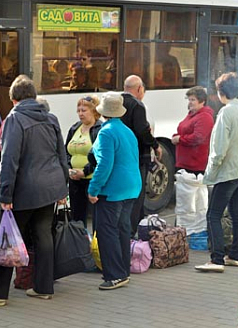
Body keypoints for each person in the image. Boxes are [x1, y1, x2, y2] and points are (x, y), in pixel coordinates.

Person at [0, 75, 67, 306]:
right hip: (50, 187)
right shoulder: (51, 118)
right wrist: (63, 187)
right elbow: (61, 154)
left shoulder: (15, 119)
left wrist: (5, 194)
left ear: (13, 98)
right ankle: (44, 287)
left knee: (7, 238)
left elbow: (9, 159)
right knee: (43, 235)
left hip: (25, 189)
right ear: (33, 96)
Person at [195, 73, 238, 273]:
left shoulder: (225, 113)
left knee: (213, 215)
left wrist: (210, 172)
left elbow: (219, 149)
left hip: (227, 171)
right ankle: (236, 255)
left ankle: (217, 258)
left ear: (221, 92)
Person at [88, 92, 141, 290]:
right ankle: (123, 271)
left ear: (102, 112)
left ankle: (114, 275)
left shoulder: (106, 132)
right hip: (132, 186)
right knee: (122, 229)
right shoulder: (127, 130)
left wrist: (93, 189)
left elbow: (104, 165)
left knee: (106, 231)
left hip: (113, 189)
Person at [121, 75, 162, 238]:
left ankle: (135, 227)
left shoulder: (116, 103)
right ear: (139, 89)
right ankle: (132, 231)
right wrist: (155, 145)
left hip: (122, 156)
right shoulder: (137, 105)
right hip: (138, 155)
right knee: (137, 194)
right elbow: (142, 130)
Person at [65, 96, 102, 230]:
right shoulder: (74, 128)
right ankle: (80, 245)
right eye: (78, 110)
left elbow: (100, 156)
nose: (80, 113)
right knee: (77, 217)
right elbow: (66, 151)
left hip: (92, 179)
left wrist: (85, 171)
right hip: (74, 180)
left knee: (97, 218)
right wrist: (68, 168)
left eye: (84, 110)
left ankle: (96, 247)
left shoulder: (99, 129)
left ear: (94, 111)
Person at [171, 86, 214, 175]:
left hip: (194, 165)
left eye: (193, 100)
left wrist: (179, 139)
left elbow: (198, 138)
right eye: (189, 100)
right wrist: (176, 136)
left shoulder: (204, 117)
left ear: (202, 101)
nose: (190, 103)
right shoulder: (192, 114)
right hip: (185, 163)